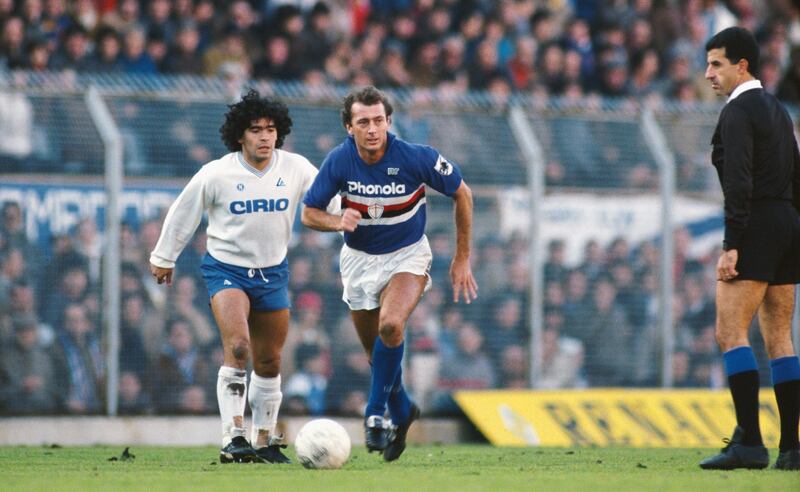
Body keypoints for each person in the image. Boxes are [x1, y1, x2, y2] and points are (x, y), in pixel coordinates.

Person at [150, 89, 335, 464]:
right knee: (238, 347)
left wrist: (351, 219)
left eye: (270, 129)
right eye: (255, 130)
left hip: (273, 272)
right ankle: (233, 438)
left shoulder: (296, 167)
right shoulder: (217, 173)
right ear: (240, 135)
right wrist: (164, 256)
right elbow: (184, 211)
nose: (264, 137)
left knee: (269, 361)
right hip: (226, 269)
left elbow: (328, 201)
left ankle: (263, 440)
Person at [301, 86, 478, 461]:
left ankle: (374, 413)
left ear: (388, 122)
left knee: (391, 326)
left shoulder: (416, 157)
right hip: (359, 261)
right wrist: (337, 221)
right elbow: (308, 213)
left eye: (378, 120)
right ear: (349, 127)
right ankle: (402, 409)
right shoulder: (338, 161)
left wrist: (462, 258)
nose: (372, 128)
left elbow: (463, 193)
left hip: (408, 256)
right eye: (363, 122)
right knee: (378, 356)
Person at [699, 27, 800, 471]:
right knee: (780, 337)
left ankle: (750, 442)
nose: (708, 74)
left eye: (717, 64)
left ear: (742, 66)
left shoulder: (738, 111)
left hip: (756, 224)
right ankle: (793, 449)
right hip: (789, 225)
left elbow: (738, 180)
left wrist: (732, 243)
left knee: (729, 331)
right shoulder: (778, 109)